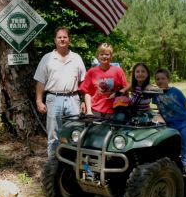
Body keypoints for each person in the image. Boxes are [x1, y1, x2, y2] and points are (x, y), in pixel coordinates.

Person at [34, 27, 86, 157]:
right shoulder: (47, 58)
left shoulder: (76, 58)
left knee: (75, 131)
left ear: (69, 40)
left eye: (65, 37)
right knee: (53, 134)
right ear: (55, 40)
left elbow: (83, 82)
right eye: (59, 37)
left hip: (73, 98)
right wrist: (39, 101)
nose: (62, 39)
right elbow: (40, 81)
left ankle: (74, 161)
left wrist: (84, 100)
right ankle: (53, 164)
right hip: (53, 98)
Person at [153, 68, 186, 178]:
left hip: (183, 122)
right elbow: (159, 107)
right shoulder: (156, 94)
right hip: (169, 124)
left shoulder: (176, 91)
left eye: (163, 78)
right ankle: (168, 167)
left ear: (168, 79)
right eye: (158, 79)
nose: (160, 81)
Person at [79, 43, 127, 118]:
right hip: (95, 110)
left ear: (111, 56)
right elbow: (86, 92)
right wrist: (89, 111)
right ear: (98, 56)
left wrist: (117, 95)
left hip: (114, 111)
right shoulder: (92, 72)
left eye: (107, 54)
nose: (104, 56)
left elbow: (125, 90)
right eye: (101, 54)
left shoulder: (118, 71)